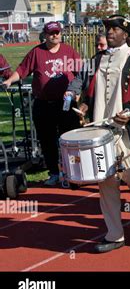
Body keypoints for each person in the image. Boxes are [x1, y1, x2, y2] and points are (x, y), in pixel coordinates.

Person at [67, 15, 130, 253]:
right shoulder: (97, 60)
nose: (109, 32)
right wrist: (84, 106)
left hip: (127, 131)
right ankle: (115, 235)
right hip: (100, 132)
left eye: (114, 29)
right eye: (107, 29)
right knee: (106, 183)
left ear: (125, 35)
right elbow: (89, 93)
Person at [2, 21, 82, 186]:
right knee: (47, 140)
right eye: (52, 33)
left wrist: (77, 92)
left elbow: (81, 73)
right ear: (45, 35)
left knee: (71, 139)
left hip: (65, 103)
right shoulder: (37, 52)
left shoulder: (68, 51)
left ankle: (74, 172)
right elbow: (22, 70)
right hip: (43, 103)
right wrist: (9, 81)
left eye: (57, 32)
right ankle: (54, 173)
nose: (55, 35)